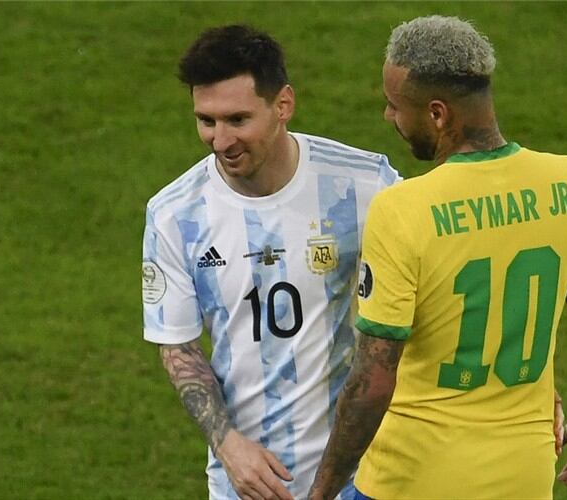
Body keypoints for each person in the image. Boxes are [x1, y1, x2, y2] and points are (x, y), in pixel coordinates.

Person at [309, 15, 567, 500]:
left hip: (411, 482)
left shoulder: (402, 209)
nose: (389, 118)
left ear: (437, 114)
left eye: (394, 106)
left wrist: (321, 492)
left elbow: (372, 380)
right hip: (524, 479)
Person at [141, 25, 402, 500]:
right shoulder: (175, 215)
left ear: (283, 105)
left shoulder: (366, 185)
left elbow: (439, 292)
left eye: (238, 120)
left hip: (367, 476)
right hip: (248, 483)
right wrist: (227, 444)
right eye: (206, 121)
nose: (220, 141)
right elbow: (178, 347)